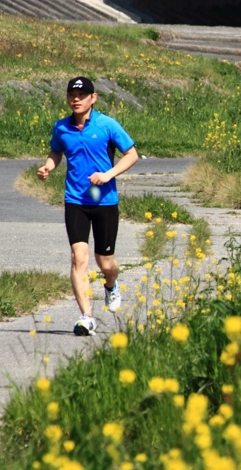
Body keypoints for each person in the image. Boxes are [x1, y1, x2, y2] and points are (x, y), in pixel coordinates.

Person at [37, 76, 139, 336]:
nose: (76, 99)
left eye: (82, 95)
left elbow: (132, 154)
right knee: (78, 258)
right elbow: (56, 151)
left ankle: (111, 284)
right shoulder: (61, 128)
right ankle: (86, 317)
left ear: (93, 98)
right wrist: (49, 166)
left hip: (104, 201)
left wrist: (108, 175)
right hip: (75, 201)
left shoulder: (107, 125)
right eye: (72, 94)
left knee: (105, 263)